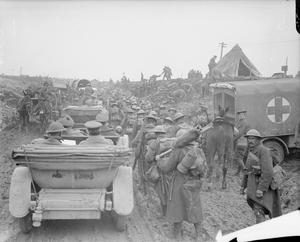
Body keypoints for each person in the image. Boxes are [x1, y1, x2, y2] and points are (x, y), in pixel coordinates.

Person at [158, 129, 204, 240]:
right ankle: (199, 235)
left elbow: (167, 168)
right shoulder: (198, 150)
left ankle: (177, 235)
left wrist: (159, 161)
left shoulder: (178, 150)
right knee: (195, 206)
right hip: (195, 182)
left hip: (180, 182)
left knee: (177, 207)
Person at [240, 129, 282, 224]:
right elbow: (247, 171)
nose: (250, 141)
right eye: (248, 138)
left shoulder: (264, 151)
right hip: (253, 185)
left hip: (263, 186)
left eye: (253, 138)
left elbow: (268, 172)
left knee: (260, 210)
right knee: (258, 209)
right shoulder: (250, 151)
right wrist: (243, 186)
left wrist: (261, 189)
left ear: (258, 140)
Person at [145, 125, 169, 217]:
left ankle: (164, 213)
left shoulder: (155, 143)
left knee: (161, 191)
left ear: (156, 134)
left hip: (161, 170)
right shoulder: (172, 141)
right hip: (173, 169)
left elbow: (148, 158)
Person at [233, 110, 251, 175]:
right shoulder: (243, 122)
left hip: (242, 142)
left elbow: (240, 133)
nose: (239, 116)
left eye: (240, 115)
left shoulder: (243, 122)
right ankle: (238, 172)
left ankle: (245, 170)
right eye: (239, 115)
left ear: (243, 115)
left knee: (237, 158)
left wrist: (233, 139)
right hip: (244, 142)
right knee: (241, 158)